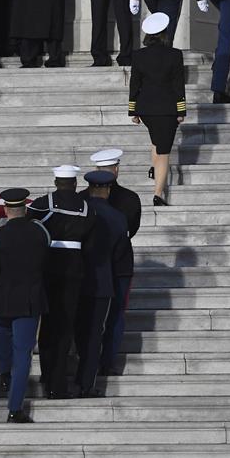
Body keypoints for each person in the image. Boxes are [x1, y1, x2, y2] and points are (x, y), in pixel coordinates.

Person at [29, 166, 95, 399]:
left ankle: (48, 376)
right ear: (75, 184)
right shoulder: (87, 207)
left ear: (56, 182)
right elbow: (91, 241)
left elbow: (30, 228)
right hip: (74, 269)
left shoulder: (42, 202)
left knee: (47, 326)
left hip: (47, 267)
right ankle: (58, 384)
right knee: (64, 327)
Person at [0, 187, 50, 422]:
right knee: (23, 355)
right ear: (25, 208)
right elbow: (46, 263)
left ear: (6, 209)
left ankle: (4, 375)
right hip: (29, 300)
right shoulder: (40, 232)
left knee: (4, 342)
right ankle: (15, 408)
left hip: (2, 300)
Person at [74, 170, 130, 395]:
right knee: (95, 332)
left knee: (77, 330)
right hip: (102, 280)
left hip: (75, 279)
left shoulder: (78, 211)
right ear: (107, 190)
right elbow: (119, 254)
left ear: (89, 188)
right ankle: (86, 383)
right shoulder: (118, 217)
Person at [87, 148, 140, 376]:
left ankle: (87, 360)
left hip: (91, 265)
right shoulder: (130, 198)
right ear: (116, 169)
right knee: (116, 315)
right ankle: (107, 361)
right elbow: (132, 230)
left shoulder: (82, 199)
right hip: (120, 266)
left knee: (89, 316)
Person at [129, 12, 186, 206]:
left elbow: (134, 84)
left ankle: (155, 170)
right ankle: (158, 193)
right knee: (163, 151)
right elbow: (179, 85)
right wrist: (181, 111)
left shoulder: (138, 55)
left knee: (156, 141)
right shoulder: (175, 55)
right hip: (166, 108)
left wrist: (133, 110)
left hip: (146, 108)